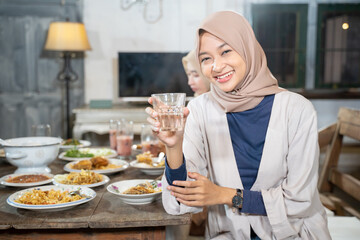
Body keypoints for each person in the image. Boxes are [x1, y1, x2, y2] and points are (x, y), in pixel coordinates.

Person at [146, 11, 331, 239]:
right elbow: (180, 204)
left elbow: (299, 201)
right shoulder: (199, 110)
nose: (216, 66)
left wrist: (225, 195)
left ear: (247, 49)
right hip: (230, 234)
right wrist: (173, 146)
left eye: (225, 51)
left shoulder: (296, 109)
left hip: (295, 233)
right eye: (206, 58)